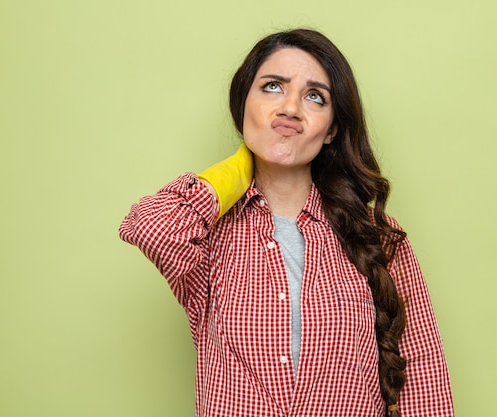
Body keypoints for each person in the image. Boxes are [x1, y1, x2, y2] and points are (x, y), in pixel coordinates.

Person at [119, 28, 453, 417]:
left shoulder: (375, 235)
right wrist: (234, 172)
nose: (291, 108)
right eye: (273, 87)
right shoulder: (207, 233)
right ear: (244, 105)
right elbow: (146, 227)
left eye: (315, 96)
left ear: (331, 129)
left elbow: (423, 376)